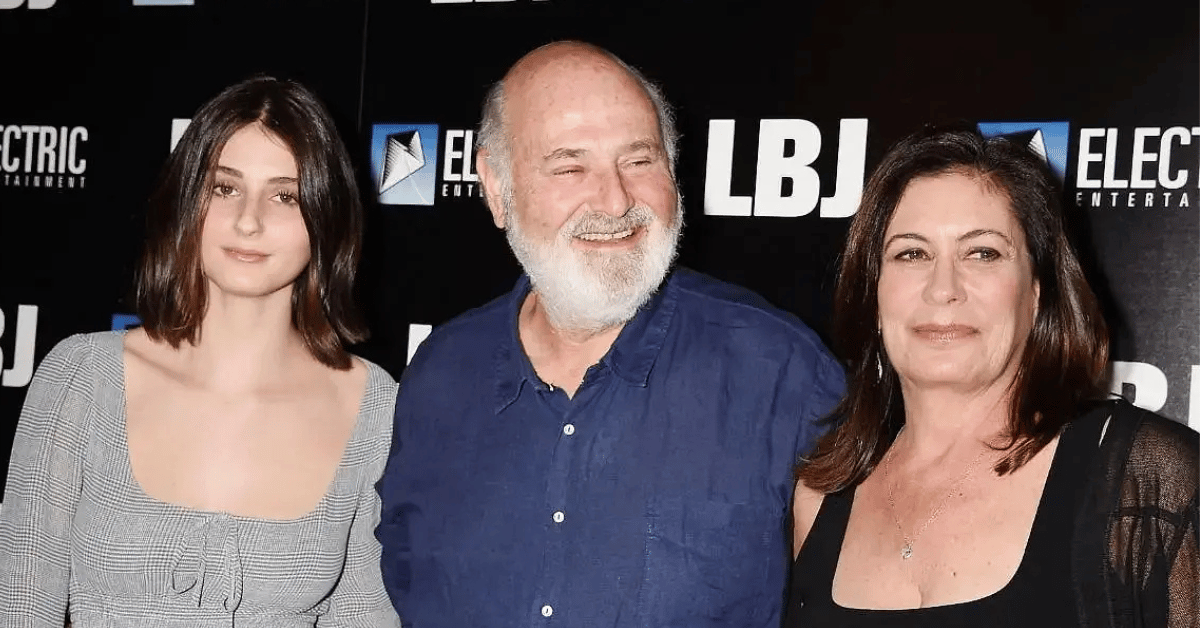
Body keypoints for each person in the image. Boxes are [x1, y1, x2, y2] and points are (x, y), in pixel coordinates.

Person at [374, 41, 845, 627]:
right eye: (571, 166)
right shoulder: (439, 376)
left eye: (640, 160)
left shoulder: (782, 374)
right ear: (497, 188)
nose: (615, 199)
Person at [0, 77, 402, 627]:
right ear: (189, 199)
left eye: (285, 195)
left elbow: (362, 616)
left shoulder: (376, 408)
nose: (248, 220)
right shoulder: (83, 378)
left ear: (326, 217)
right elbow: (19, 605)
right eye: (225, 188)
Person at [786, 127, 1199, 626]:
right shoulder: (819, 501)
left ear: (1037, 293)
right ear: (873, 294)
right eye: (911, 254)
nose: (943, 289)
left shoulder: (1146, 482)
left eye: (982, 253)